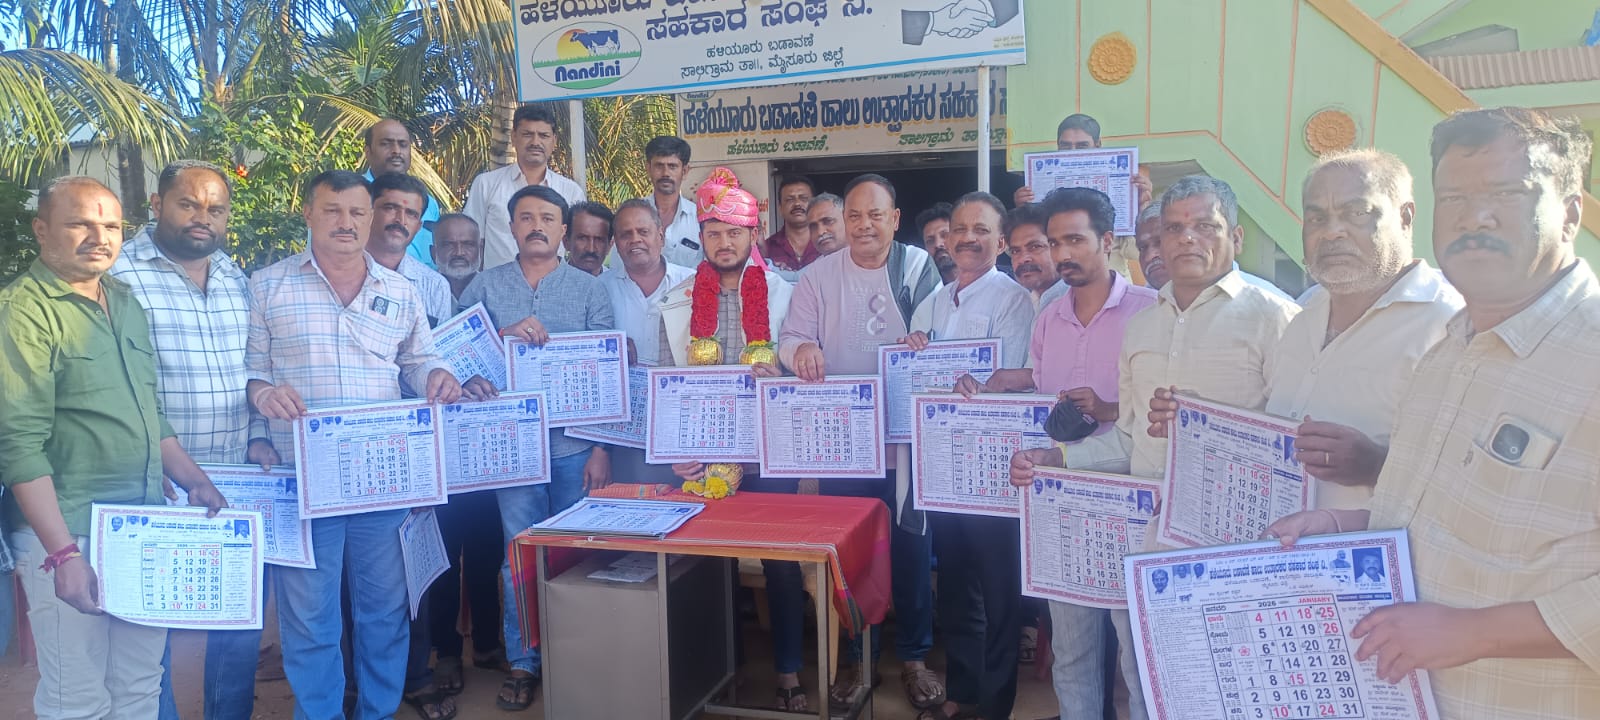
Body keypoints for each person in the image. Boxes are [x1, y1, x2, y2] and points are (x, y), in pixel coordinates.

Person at [1267, 107, 1600, 720]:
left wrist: (1475, 632)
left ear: (1571, 213)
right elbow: (1436, 517)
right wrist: (1344, 526)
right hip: (1401, 697)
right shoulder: (1450, 351)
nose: (1476, 217)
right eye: (1455, 199)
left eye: (1508, 193)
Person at [0, 176, 228, 720]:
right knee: (77, 698)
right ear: (42, 230)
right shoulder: (22, 311)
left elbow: (150, 414)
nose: (98, 237)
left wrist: (195, 480)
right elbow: (18, 445)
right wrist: (63, 554)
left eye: (111, 226)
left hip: (141, 525)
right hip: (70, 529)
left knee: (139, 686)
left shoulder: (123, 302)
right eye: (80, 223)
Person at [246, 170, 463, 720]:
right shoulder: (268, 286)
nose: (346, 223)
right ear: (308, 214)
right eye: (332, 210)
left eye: (357, 212)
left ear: (371, 218)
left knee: (384, 609)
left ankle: (377, 710)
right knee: (309, 616)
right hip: (302, 479)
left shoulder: (400, 290)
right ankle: (318, 712)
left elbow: (418, 360)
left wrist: (437, 375)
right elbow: (250, 372)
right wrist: (262, 401)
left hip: (380, 477)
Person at [108, 160, 281, 720]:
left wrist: (259, 435)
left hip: (233, 479)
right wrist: (144, 455)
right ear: (157, 205)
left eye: (216, 208)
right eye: (188, 204)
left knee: (237, 620)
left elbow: (256, 366)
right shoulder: (117, 275)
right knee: (151, 627)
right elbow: (113, 382)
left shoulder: (234, 276)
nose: (203, 217)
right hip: (157, 479)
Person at [984, 188, 1158, 720]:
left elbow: (1156, 415)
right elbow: (1041, 394)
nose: (1063, 254)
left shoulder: (1149, 312)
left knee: (1138, 657)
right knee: (1072, 649)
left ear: (1108, 240)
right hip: (1062, 501)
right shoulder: (1049, 318)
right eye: (1055, 242)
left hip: (1130, 501)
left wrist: (1108, 408)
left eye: (1076, 240)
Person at [779, 173, 944, 712]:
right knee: (849, 556)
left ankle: (914, 658)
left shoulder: (917, 268)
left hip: (905, 443)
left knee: (910, 551)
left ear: (895, 219)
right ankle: (858, 658)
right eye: (854, 216)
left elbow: (942, 336)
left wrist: (927, 342)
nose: (864, 225)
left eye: (876, 215)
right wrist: (801, 351)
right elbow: (790, 338)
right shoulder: (818, 276)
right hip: (844, 443)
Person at [458, 184, 614, 710]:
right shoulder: (484, 285)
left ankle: (574, 658)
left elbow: (604, 374)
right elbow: (456, 355)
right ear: (511, 228)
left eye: (547, 218)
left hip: (574, 449)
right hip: (510, 450)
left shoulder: (589, 290)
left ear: (563, 230)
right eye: (525, 218)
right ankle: (524, 661)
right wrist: (501, 334)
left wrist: (600, 447)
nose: (536, 227)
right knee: (518, 556)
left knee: (575, 552)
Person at [656, 168, 802, 709]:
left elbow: (809, 368)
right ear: (701, 235)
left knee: (781, 561)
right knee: (710, 567)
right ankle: (723, 670)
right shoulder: (677, 300)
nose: (724, 242)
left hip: (770, 451)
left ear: (753, 233)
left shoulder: (787, 294)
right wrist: (675, 452)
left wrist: (783, 376)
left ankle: (789, 672)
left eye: (734, 233)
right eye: (713, 232)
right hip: (705, 453)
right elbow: (664, 380)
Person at [1266, 149, 1461, 511]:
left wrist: (1376, 467)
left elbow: (1474, 487)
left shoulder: (1451, 325)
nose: (1331, 232)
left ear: (1405, 217)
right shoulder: (1304, 313)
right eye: (1316, 217)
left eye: (1357, 213)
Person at [903, 191, 1035, 720]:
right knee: (956, 585)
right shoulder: (934, 302)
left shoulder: (1013, 299)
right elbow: (912, 371)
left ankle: (997, 705)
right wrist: (912, 348)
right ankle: (962, 691)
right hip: (944, 466)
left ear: (1001, 243)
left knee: (999, 593)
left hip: (993, 467)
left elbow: (1014, 378)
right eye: (959, 228)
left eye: (981, 229)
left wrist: (982, 385)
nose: (967, 238)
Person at [464, 104, 587, 270]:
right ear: (514, 137)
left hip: (553, 284)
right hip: (498, 284)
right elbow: (473, 242)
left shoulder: (571, 191)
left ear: (554, 141)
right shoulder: (486, 184)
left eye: (543, 135)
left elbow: (579, 245)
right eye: (527, 134)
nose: (535, 142)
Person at [604, 199, 695, 366]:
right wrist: (612, 345)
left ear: (661, 237)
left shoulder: (692, 283)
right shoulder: (601, 288)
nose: (635, 239)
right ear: (616, 242)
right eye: (626, 234)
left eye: (643, 232)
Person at [1013, 114, 1153, 208]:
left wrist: (1140, 205)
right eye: (1065, 146)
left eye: (1082, 146)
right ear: (1057, 145)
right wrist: (1023, 208)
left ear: (1098, 145)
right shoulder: (1042, 177)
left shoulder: (1122, 176)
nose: (1073, 152)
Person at [369, 172, 454, 326]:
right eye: (390, 208)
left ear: (418, 226)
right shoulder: (337, 271)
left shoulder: (435, 286)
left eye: (411, 214)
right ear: (368, 213)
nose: (400, 220)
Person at [362, 119, 443, 268]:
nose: (396, 151)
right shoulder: (352, 195)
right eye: (385, 144)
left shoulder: (429, 203)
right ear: (368, 152)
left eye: (403, 144)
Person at [634, 135, 703, 268]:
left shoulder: (699, 219)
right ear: (648, 168)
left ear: (684, 171)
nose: (665, 173)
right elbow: (618, 269)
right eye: (659, 166)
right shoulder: (632, 215)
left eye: (672, 166)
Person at [1002, 202, 1066, 309]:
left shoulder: (1079, 302)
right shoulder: (1023, 303)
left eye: (1035, 247)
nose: (1023, 259)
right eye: (1015, 251)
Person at [764, 175, 818, 273]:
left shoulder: (827, 243)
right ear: (780, 208)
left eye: (803, 198)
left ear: (815, 205)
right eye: (790, 199)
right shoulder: (767, 247)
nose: (797, 203)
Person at [432, 214, 484, 299]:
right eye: (448, 245)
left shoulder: (495, 289)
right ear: (433, 253)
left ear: (480, 250)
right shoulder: (420, 290)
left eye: (468, 244)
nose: (459, 253)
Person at [564, 201, 614, 276]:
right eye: (582, 238)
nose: (591, 249)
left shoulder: (617, 283)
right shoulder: (548, 281)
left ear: (609, 246)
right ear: (566, 242)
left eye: (599, 240)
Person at [915, 202, 955, 284]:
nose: (937, 244)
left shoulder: (982, 281)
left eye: (945, 235)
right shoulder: (924, 289)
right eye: (930, 241)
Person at [806, 192, 847, 259]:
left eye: (828, 221)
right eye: (813, 227)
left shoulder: (865, 259)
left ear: (847, 220)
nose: (820, 232)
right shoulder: (816, 265)